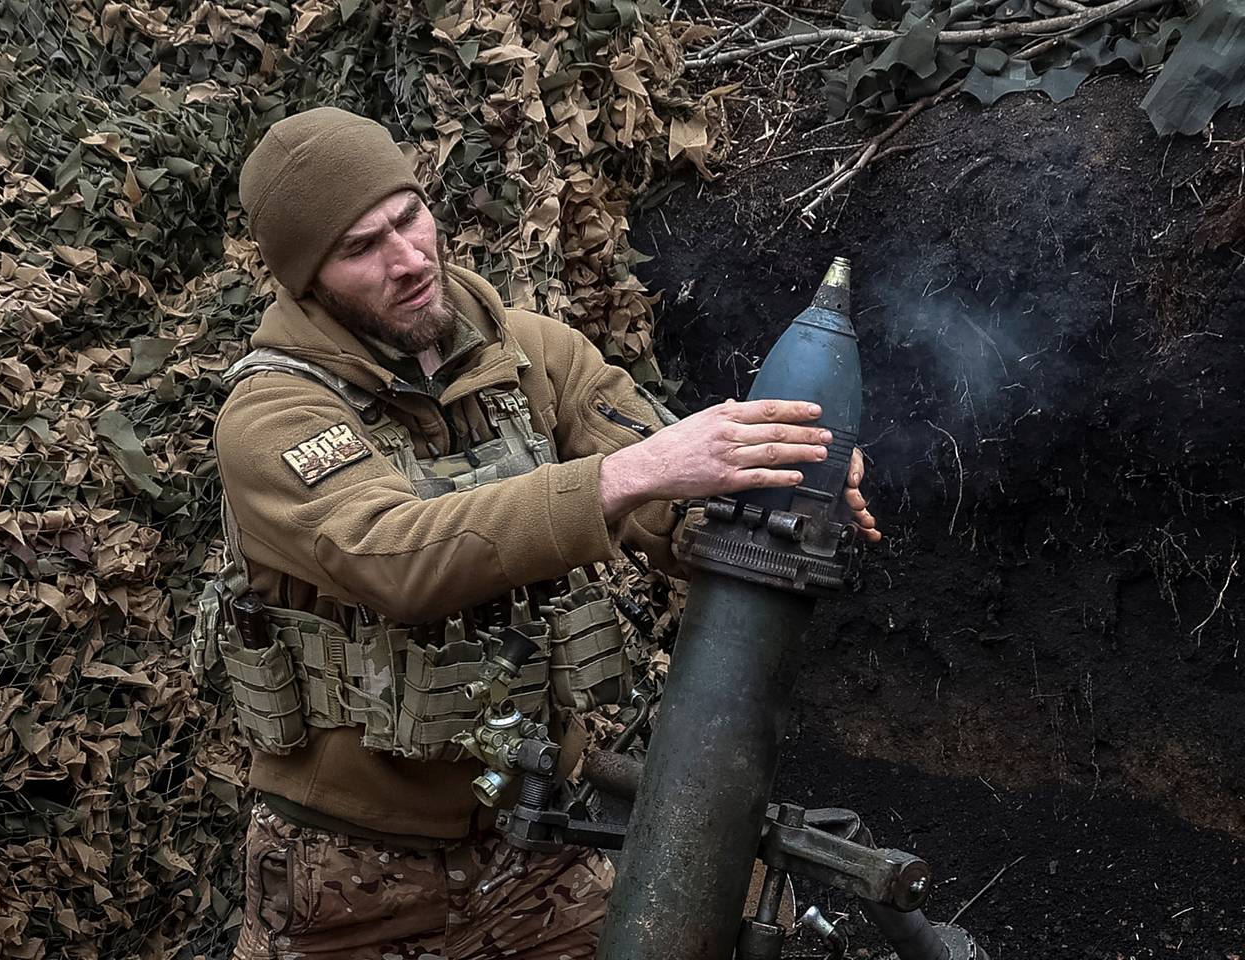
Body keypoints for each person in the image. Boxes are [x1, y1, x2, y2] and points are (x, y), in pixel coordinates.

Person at [206, 106, 879, 960]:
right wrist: (628, 475)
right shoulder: (272, 414)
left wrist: (775, 482)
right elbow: (392, 557)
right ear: (307, 281)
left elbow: (673, 498)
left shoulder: (532, 354)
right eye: (362, 247)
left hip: (539, 843)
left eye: (410, 216)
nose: (409, 259)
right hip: (351, 882)